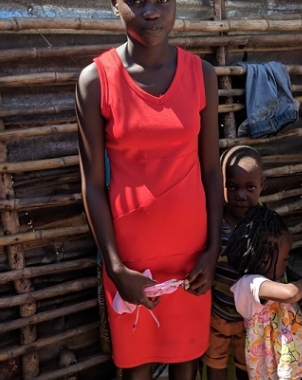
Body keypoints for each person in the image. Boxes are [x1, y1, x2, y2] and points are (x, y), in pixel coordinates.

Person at [75, 0, 222, 378]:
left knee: (186, 361)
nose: (151, 12)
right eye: (138, 1)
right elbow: (92, 185)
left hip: (192, 256)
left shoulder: (201, 74)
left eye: (162, 0)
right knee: (134, 365)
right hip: (130, 260)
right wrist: (116, 268)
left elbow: (210, 170)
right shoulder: (96, 80)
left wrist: (213, 249)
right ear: (114, 4)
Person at [228, 205, 302, 380]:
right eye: (284, 258)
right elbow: (290, 292)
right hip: (272, 368)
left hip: (289, 364)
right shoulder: (250, 284)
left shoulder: (267, 283)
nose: (287, 262)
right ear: (265, 258)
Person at [202, 145, 265, 380]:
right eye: (232, 186)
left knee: (248, 368)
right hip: (216, 315)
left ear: (262, 186)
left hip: (249, 321)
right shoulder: (214, 223)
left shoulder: (263, 225)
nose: (241, 195)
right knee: (215, 366)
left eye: (250, 188)